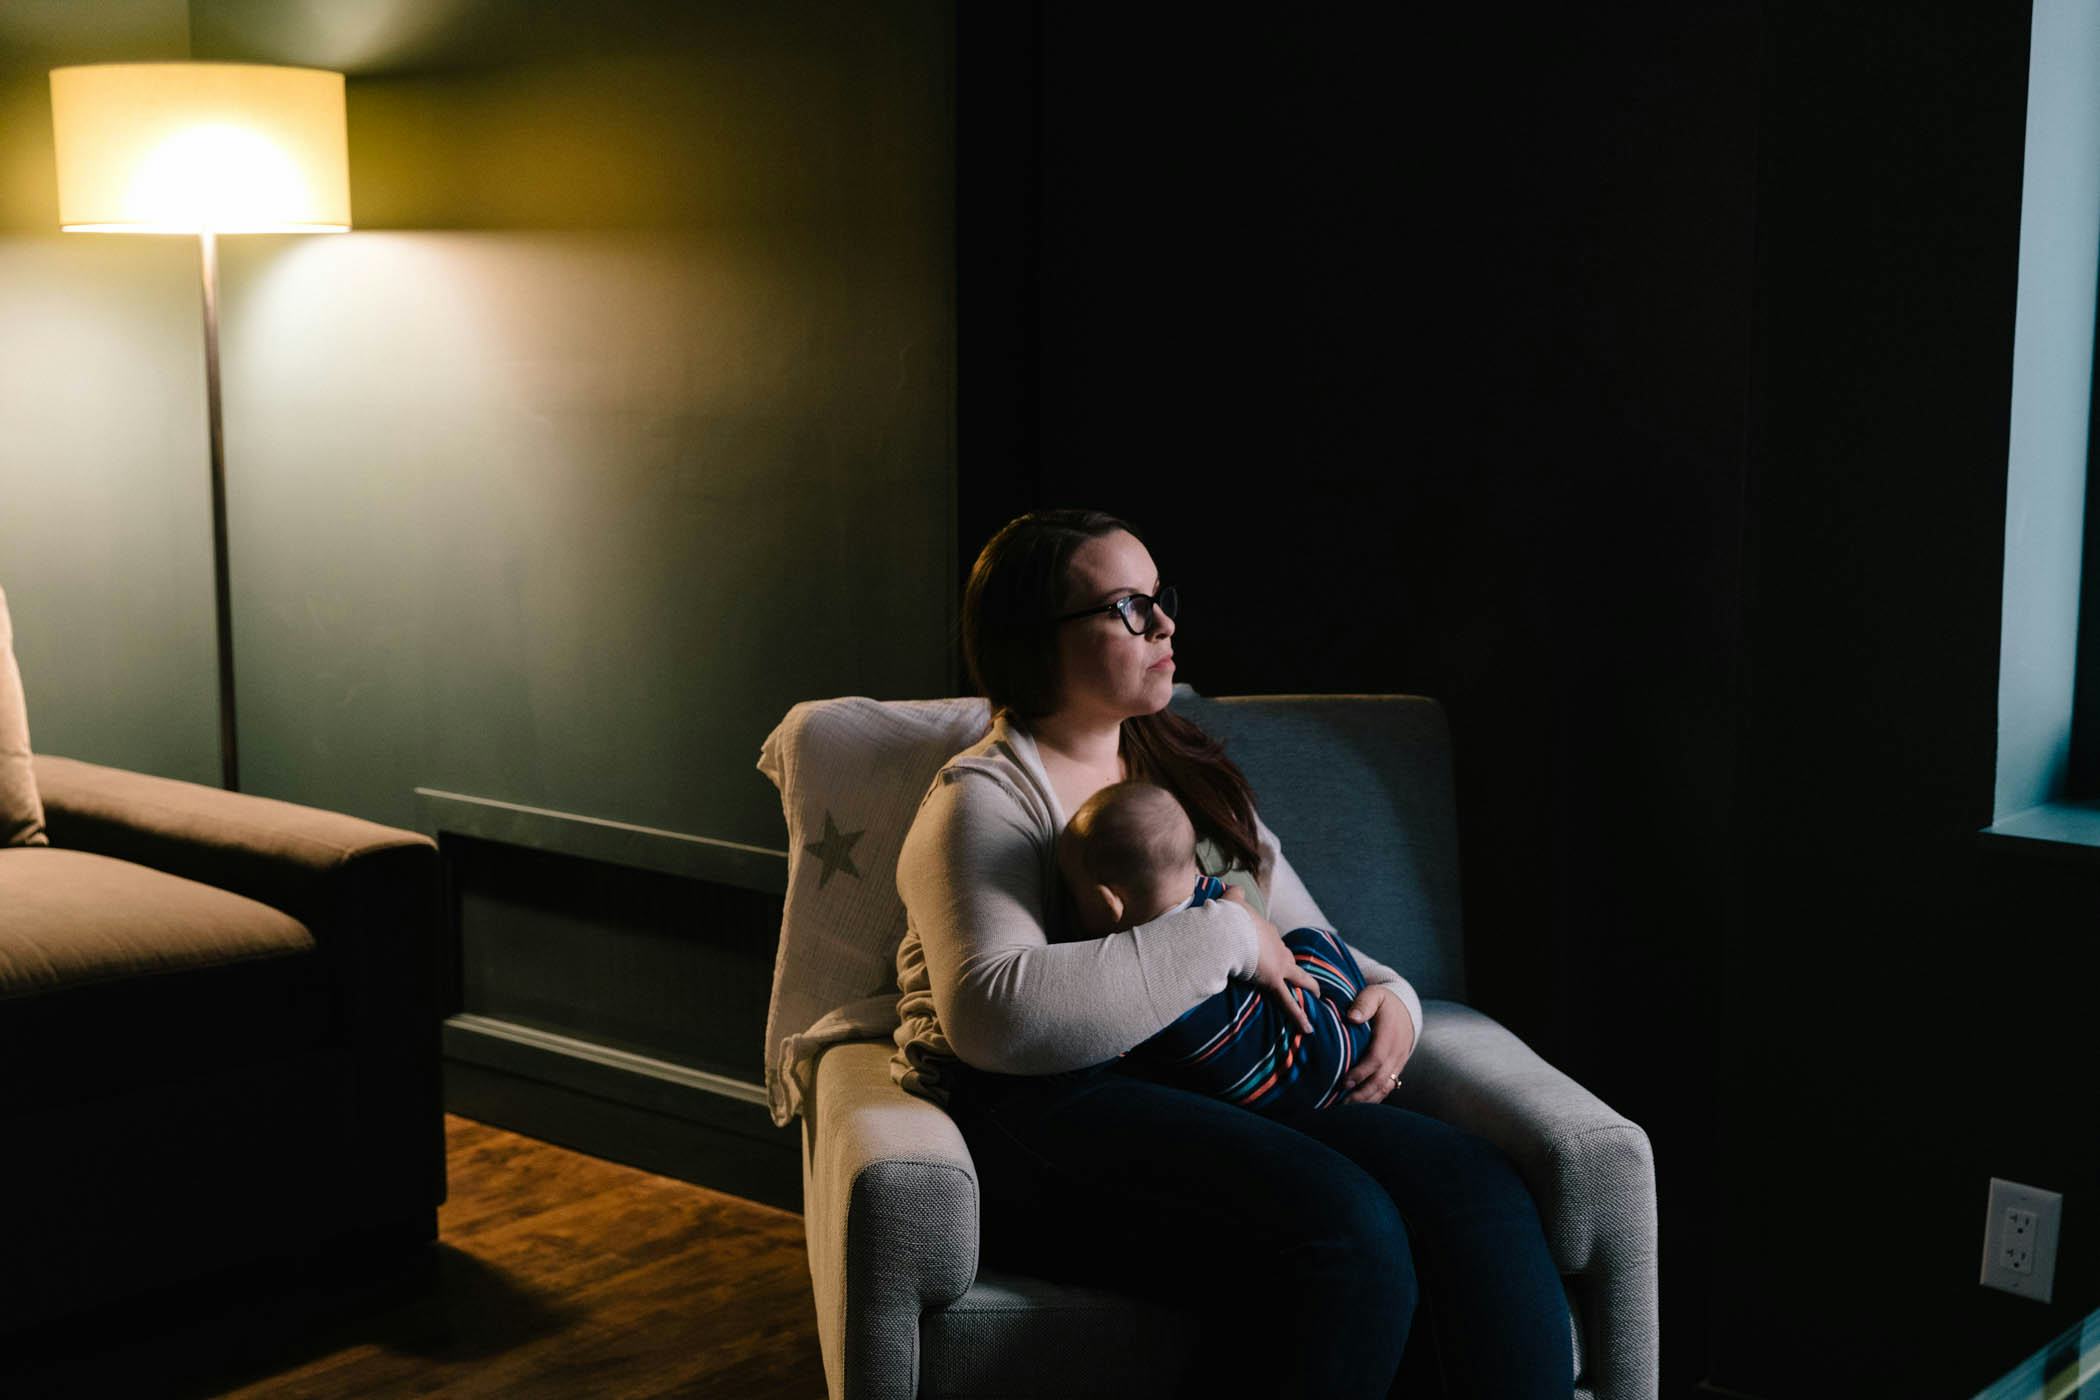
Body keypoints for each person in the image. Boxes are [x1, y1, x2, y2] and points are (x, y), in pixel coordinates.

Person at [890, 508, 1574, 1399]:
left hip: (1223, 1070)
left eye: (1160, 599)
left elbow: (1303, 933)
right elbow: (993, 1017)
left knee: (1475, 1189)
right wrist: (1222, 934)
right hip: (1053, 1102)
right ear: (1034, 639)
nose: (1164, 625)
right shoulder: (983, 797)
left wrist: (1395, 998)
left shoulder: (1186, 771)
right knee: (1346, 1231)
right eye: (1128, 607)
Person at [1058, 778, 1377, 1114]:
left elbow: (1091, 1048)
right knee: (1310, 940)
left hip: (1289, 1096)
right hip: (1346, 1047)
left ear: (1109, 902)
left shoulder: (1145, 985)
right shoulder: (1220, 894)